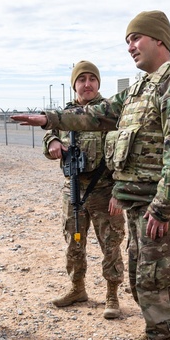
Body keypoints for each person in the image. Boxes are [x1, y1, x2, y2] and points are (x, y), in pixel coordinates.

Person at [12, 11, 170, 340]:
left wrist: (164, 209)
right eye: (127, 41)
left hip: (155, 209)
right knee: (141, 277)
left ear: (159, 40)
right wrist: (50, 118)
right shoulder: (139, 89)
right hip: (137, 205)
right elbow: (97, 114)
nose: (131, 46)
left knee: (159, 283)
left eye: (137, 38)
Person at [43, 60, 125, 319]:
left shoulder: (110, 114)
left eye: (92, 79)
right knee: (73, 243)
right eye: (82, 79)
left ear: (98, 83)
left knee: (110, 245)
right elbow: (48, 136)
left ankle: (112, 294)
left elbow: (127, 153)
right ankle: (77, 288)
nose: (87, 84)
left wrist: (119, 191)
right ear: (74, 84)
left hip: (104, 191)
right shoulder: (65, 114)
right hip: (74, 190)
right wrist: (53, 140)